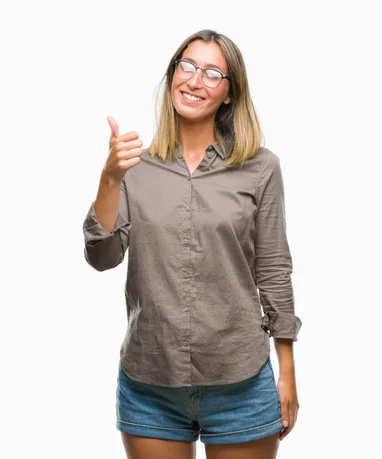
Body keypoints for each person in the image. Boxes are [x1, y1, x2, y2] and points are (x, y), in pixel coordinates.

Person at [82, 29, 302, 459]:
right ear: (171, 76)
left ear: (228, 94)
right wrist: (110, 179)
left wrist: (288, 372)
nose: (195, 80)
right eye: (187, 66)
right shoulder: (135, 167)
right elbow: (101, 256)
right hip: (150, 384)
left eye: (212, 73)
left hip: (240, 381)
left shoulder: (261, 167)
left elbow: (274, 270)